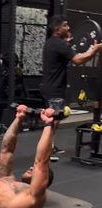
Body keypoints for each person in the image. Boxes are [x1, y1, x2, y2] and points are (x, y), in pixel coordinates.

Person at [41, 14, 102, 161]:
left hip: (51, 86)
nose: (68, 28)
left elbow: (70, 53)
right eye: (65, 25)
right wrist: (94, 50)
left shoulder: (52, 43)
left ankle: (50, 146)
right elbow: (78, 59)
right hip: (54, 88)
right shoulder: (59, 44)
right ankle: (46, 152)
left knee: (56, 119)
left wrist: (70, 45)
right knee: (52, 121)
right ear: (57, 28)